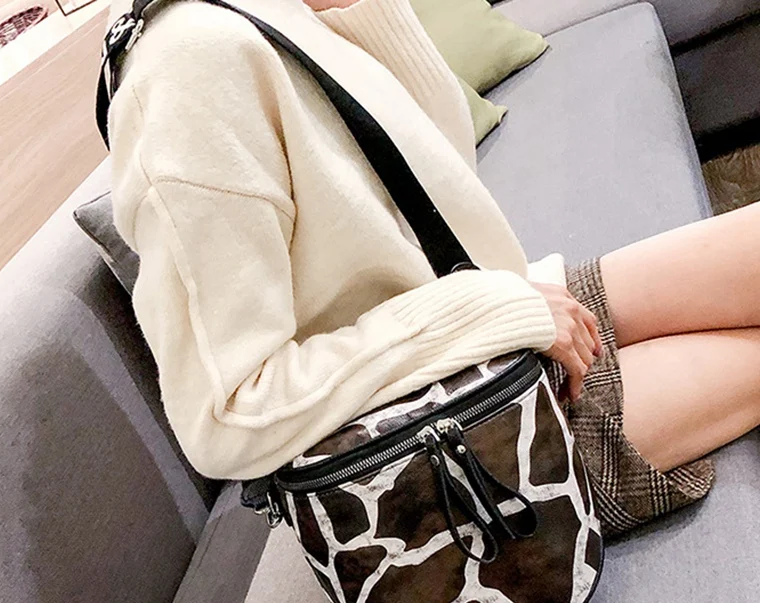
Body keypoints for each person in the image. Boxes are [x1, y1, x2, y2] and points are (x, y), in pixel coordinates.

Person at [106, 0, 760, 536]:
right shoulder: (187, 67)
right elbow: (225, 413)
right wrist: (487, 314)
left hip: (486, 330)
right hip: (454, 451)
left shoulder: (265, 12)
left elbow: (444, 180)